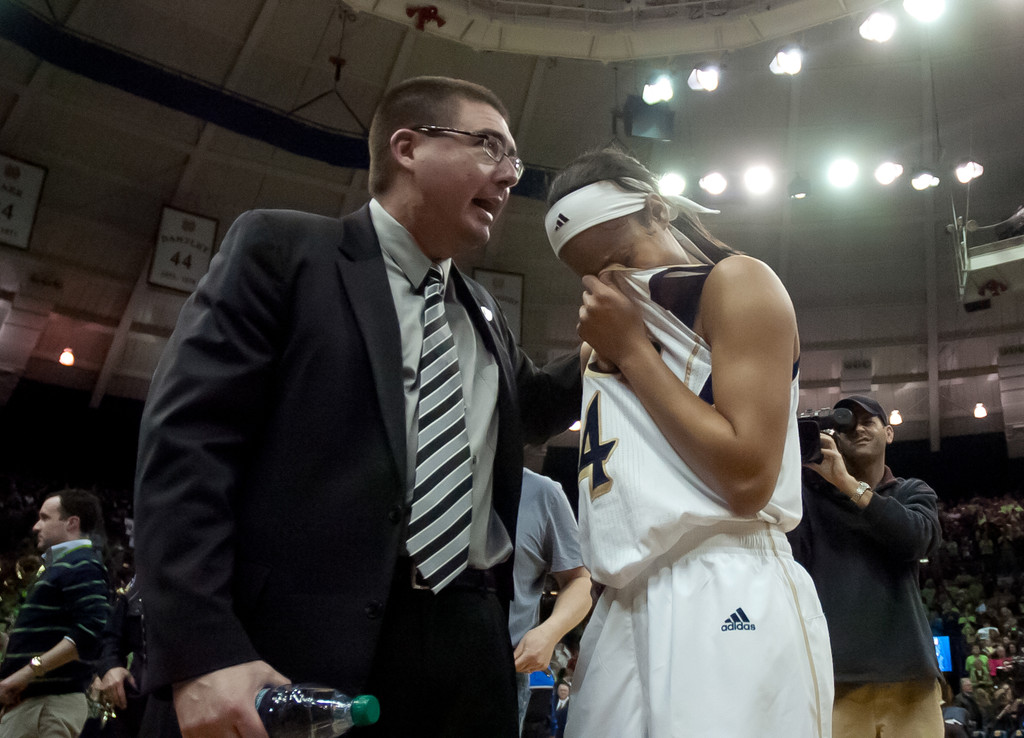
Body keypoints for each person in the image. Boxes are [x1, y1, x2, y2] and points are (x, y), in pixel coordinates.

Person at [133, 75, 581, 738]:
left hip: (469, 644)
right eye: (490, 147)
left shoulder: (484, 312)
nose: (510, 174)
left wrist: (615, 340)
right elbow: (187, 447)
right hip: (298, 645)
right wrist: (201, 651)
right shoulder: (285, 250)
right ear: (407, 147)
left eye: (514, 160)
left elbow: (532, 411)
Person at [544, 149, 833, 737]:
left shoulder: (740, 282)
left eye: (623, 258)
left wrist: (630, 351)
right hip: (626, 597)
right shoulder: (604, 342)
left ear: (657, 210)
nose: (615, 282)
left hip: (728, 574)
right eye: (594, 275)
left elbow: (748, 478)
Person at [790, 394, 944, 737]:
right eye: (846, 425)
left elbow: (916, 540)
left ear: (888, 433)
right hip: (836, 679)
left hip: (911, 679)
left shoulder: (910, 492)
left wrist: (847, 484)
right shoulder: (808, 499)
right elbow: (790, 560)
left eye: (868, 421)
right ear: (834, 438)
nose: (857, 429)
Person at [0, 490, 110, 738]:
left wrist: (24, 674)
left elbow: (90, 632)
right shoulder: (63, 565)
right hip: (35, 706)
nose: (36, 526)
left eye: (44, 517)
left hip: (46, 708)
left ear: (72, 523)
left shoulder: (83, 564)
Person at [509, 469, 591, 734]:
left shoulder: (542, 493)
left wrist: (549, 632)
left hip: (505, 665)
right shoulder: (408, 473)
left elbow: (581, 579)